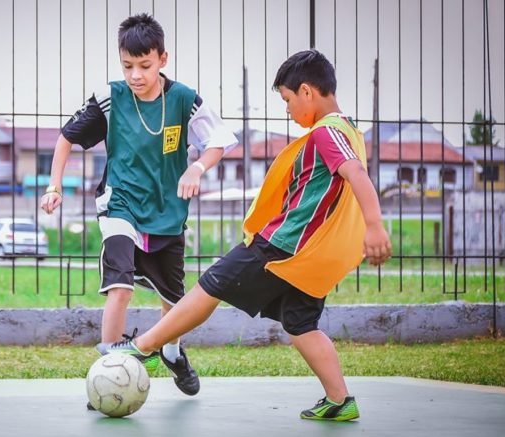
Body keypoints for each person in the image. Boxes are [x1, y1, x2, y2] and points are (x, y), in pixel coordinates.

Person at [107, 49, 393, 421]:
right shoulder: (350, 128)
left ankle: (143, 346)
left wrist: (374, 226)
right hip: (309, 256)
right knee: (300, 323)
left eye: (288, 101)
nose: (288, 110)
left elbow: (356, 174)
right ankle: (340, 399)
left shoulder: (328, 132)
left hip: (283, 245)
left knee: (211, 283)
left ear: (307, 91)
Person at [41, 13, 237, 398]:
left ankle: (171, 350)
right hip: (120, 204)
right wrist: (53, 185)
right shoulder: (110, 98)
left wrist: (196, 168)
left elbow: (220, 140)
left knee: (173, 302)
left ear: (163, 59)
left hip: (168, 212)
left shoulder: (183, 99)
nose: (135, 74)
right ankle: (104, 373)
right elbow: (66, 138)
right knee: (121, 286)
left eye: (144, 65)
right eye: (127, 65)